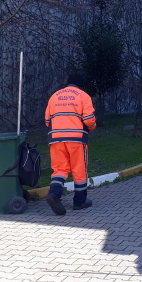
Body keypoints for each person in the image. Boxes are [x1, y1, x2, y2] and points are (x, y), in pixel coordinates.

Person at [44, 74, 96, 214]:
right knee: (79, 170)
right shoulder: (83, 96)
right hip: (76, 139)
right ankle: (79, 202)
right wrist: (91, 128)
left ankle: (54, 195)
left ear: (68, 83)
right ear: (80, 85)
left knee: (59, 170)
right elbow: (89, 119)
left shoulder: (54, 96)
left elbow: (47, 121)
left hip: (55, 139)